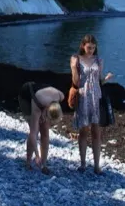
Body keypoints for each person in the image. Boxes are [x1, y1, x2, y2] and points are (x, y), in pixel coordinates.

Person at [70, 34, 113, 174]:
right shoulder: (77, 59)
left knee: (96, 131)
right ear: (83, 46)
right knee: (83, 131)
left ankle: (96, 166)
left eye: (93, 48)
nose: (91, 51)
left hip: (96, 97)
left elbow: (99, 80)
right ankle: (82, 164)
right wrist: (73, 68)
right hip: (83, 96)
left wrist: (106, 78)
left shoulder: (98, 60)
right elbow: (76, 82)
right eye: (89, 48)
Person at [18, 81, 64, 174]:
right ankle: (28, 162)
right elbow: (33, 133)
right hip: (26, 96)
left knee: (45, 131)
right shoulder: (38, 102)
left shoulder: (60, 96)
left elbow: (52, 108)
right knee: (35, 128)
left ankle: (44, 164)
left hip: (43, 98)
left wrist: (44, 113)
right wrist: (37, 155)